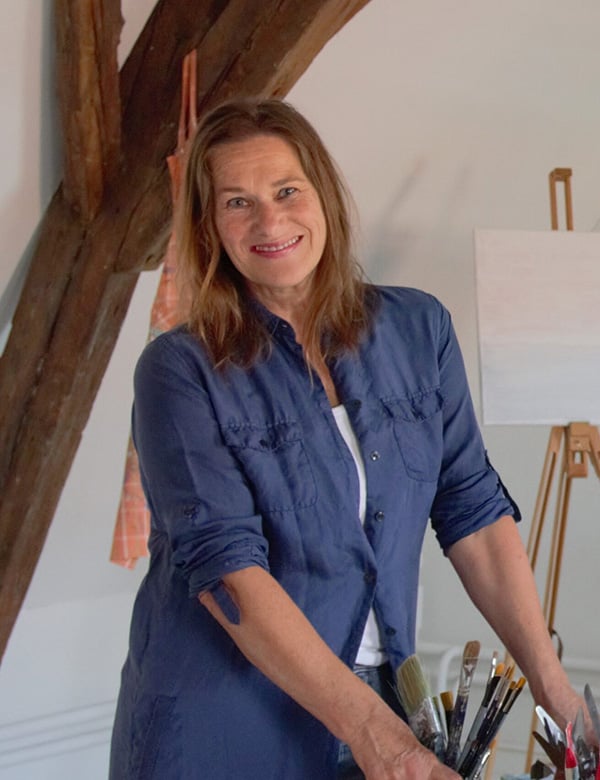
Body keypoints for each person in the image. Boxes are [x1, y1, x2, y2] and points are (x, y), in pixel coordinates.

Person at [109, 97, 584, 780]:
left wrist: (555, 690)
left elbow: (473, 512)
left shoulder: (419, 330)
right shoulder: (179, 370)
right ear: (209, 227)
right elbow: (227, 568)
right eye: (237, 203)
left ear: (324, 196)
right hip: (224, 724)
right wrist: (376, 734)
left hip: (382, 702)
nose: (270, 221)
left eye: (286, 190)